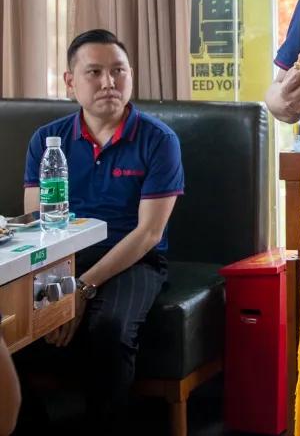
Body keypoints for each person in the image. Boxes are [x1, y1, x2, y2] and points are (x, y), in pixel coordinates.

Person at [19, 29, 182, 430]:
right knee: (12, 326)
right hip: (61, 256)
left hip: (135, 260)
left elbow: (147, 234)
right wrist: (55, 288)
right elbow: (38, 224)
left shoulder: (159, 140)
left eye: (118, 71)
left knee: (110, 329)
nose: (109, 82)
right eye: (94, 72)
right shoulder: (47, 141)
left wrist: (81, 290)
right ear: (70, 81)